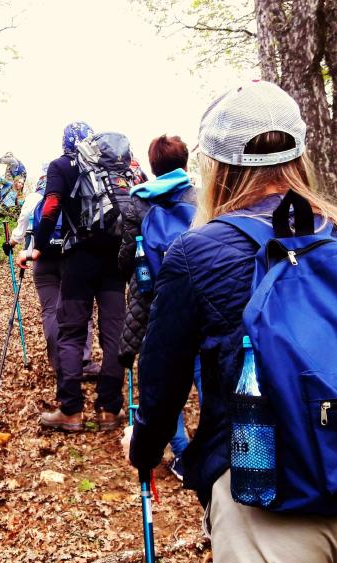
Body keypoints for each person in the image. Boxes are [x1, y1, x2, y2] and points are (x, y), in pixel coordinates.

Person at [125, 81, 337, 563]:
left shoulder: (196, 253)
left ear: (216, 167)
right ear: (301, 153)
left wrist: (145, 450)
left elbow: (162, 383)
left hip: (263, 496)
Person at [20, 121, 126, 432]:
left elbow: (51, 206)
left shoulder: (62, 166)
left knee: (71, 332)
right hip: (115, 260)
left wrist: (37, 247)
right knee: (113, 332)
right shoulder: (113, 164)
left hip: (79, 259)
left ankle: (71, 410)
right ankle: (109, 409)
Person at [118, 135, 200, 481]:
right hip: (199, 293)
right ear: (185, 162)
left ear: (153, 166)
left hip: (153, 296)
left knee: (165, 375)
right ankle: (215, 446)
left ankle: (181, 452)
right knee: (203, 369)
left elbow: (125, 258)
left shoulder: (137, 203)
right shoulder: (200, 196)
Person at [11, 171, 100, 381]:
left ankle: (58, 362)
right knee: (80, 308)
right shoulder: (76, 194)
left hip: (42, 258)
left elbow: (22, 227)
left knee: (50, 311)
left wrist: (14, 243)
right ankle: (83, 360)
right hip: (71, 256)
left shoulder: (34, 199)